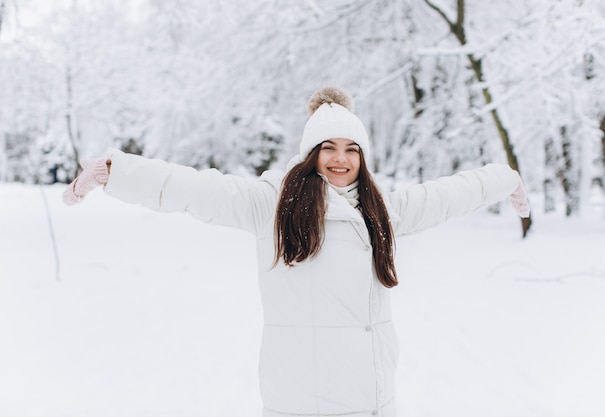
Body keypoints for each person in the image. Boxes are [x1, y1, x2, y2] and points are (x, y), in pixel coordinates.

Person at [64, 86, 530, 417]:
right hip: (303, 400)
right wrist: (115, 170)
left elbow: (448, 194)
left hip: (374, 396)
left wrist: (505, 177)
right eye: (328, 148)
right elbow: (193, 188)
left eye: (352, 149)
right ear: (310, 152)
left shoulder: (382, 208)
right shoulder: (271, 204)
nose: (341, 159)